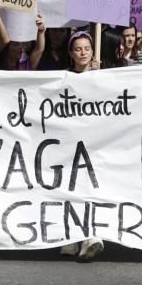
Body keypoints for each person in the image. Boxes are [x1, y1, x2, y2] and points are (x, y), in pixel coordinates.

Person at [59, 31, 103, 261]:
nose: (83, 52)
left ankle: (90, 236)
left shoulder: (102, 76)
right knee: (70, 188)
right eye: (78, 49)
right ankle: (70, 237)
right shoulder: (62, 78)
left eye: (87, 48)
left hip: (95, 143)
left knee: (90, 188)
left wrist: (100, 79)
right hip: (69, 144)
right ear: (70, 53)